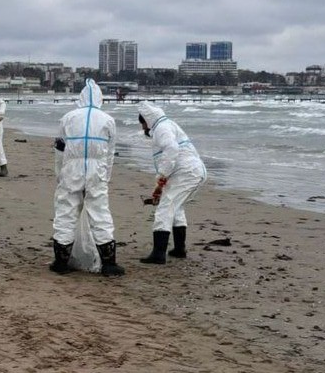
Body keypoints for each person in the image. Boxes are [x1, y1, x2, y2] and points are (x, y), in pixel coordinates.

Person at [50, 79, 123, 276]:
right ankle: (109, 263)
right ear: (100, 98)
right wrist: (106, 176)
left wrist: (60, 174)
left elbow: (59, 148)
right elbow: (110, 153)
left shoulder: (68, 118)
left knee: (66, 212)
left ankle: (61, 262)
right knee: (100, 213)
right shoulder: (108, 120)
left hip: (71, 168)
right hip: (96, 170)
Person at [136, 101, 207, 264]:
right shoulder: (167, 125)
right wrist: (161, 184)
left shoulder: (161, 128)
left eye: (143, 123)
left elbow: (172, 150)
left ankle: (159, 253)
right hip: (191, 171)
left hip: (186, 172)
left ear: (147, 120)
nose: (142, 128)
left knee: (165, 207)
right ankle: (179, 249)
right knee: (176, 207)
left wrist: (162, 176)